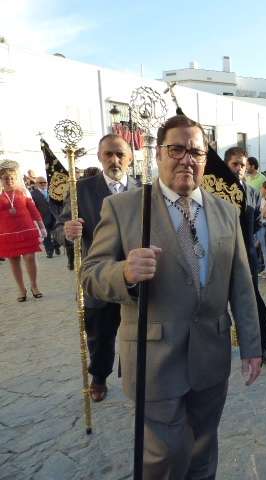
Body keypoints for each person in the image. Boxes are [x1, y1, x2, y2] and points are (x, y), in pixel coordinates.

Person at [81, 115, 262, 479]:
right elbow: (91, 274)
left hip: (210, 355)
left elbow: (242, 284)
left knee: (203, 448)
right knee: (164, 454)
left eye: (196, 152)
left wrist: (252, 345)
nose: (187, 159)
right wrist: (125, 273)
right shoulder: (124, 208)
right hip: (154, 359)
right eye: (176, 149)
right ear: (158, 155)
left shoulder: (226, 212)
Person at [57, 134, 137, 402]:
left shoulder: (143, 189)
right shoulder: (81, 189)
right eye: (108, 154)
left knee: (137, 332)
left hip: (134, 276)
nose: (114, 160)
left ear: (130, 158)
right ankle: (99, 376)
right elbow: (58, 228)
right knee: (100, 335)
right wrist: (68, 231)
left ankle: (133, 374)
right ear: (100, 157)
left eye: (120, 154)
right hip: (99, 277)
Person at [223, 146, 266, 365]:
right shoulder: (212, 192)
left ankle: (261, 345)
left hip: (246, 257)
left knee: (252, 302)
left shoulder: (252, 192)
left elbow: (255, 223)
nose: (239, 168)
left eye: (242, 165)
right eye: (234, 164)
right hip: (219, 257)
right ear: (226, 165)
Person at [0, 160, 46, 302]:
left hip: (26, 229)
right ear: (1, 180)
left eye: (11, 178)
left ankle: (34, 285)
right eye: (6, 178)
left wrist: (42, 226)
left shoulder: (23, 192)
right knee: (14, 261)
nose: (9, 181)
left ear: (16, 178)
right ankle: (21, 289)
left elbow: (33, 210)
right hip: (7, 232)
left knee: (30, 258)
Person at [29, 177, 57, 258]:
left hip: (55, 216)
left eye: (45, 182)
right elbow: (33, 207)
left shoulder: (52, 191)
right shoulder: (33, 194)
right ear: (36, 184)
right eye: (41, 183)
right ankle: (49, 251)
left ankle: (56, 245)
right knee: (46, 235)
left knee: (57, 232)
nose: (43, 184)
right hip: (43, 217)